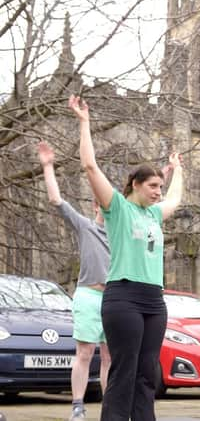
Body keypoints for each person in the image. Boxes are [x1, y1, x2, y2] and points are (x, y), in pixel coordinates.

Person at [69, 94, 183, 421]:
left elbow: (175, 199)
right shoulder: (118, 207)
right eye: (153, 186)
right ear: (135, 184)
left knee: (147, 374)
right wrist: (85, 122)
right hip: (123, 297)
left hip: (153, 300)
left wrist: (177, 170)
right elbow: (90, 167)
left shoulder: (154, 215)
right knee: (124, 372)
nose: (159, 192)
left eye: (160, 187)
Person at [38, 141, 111, 421]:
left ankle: (109, 408)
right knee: (85, 352)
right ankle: (78, 406)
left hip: (113, 300)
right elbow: (57, 200)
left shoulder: (122, 235)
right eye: (103, 203)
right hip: (89, 296)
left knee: (109, 358)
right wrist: (48, 167)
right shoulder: (86, 227)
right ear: (96, 205)